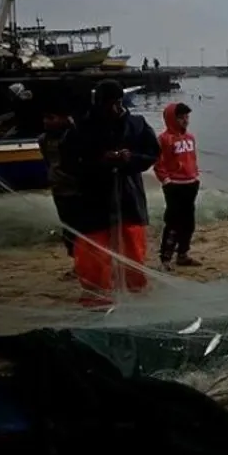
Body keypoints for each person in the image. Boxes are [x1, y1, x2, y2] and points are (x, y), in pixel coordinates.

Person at [60, 79, 160, 307]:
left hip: (128, 196)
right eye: (107, 104)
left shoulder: (136, 124)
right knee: (92, 251)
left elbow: (152, 153)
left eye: (116, 103)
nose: (113, 109)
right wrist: (99, 161)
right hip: (92, 198)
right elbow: (68, 163)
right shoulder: (80, 129)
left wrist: (129, 159)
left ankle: (136, 292)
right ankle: (96, 297)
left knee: (133, 249)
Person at [154, 102, 202, 271]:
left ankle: (183, 254)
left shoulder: (190, 138)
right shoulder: (163, 139)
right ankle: (165, 259)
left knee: (189, 222)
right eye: (181, 118)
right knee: (173, 222)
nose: (185, 121)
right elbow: (158, 163)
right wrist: (166, 180)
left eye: (187, 117)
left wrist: (196, 176)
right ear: (172, 119)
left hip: (191, 183)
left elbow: (193, 159)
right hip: (174, 185)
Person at [37, 101, 79, 280]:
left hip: (77, 190)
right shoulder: (44, 140)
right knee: (68, 230)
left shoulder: (75, 137)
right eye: (45, 118)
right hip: (59, 190)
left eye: (51, 118)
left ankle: (85, 264)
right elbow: (49, 163)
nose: (46, 122)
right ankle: (77, 263)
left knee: (82, 229)